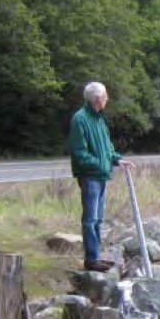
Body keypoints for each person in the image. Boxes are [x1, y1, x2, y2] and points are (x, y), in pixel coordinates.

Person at [68, 81, 135, 272]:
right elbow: (79, 152)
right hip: (90, 176)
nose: (108, 98)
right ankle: (91, 259)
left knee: (98, 218)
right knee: (90, 218)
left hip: (101, 175)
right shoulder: (80, 119)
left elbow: (107, 148)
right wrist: (101, 164)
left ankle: (95, 257)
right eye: (105, 95)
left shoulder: (99, 119)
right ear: (98, 99)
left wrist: (117, 160)